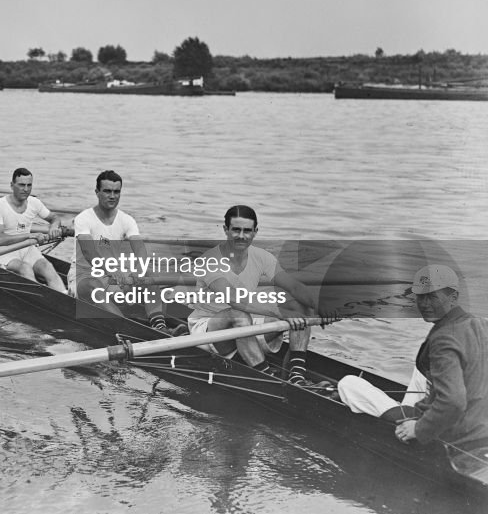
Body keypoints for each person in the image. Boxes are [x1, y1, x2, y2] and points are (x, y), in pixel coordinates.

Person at [337, 265, 488, 459]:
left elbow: (454, 402)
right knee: (421, 368)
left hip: (447, 433)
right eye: (420, 296)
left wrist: (419, 428)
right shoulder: (480, 324)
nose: (424, 304)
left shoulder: (444, 339)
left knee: (348, 384)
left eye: (432, 297)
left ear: (453, 297)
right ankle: (404, 408)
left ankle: (406, 418)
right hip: (478, 428)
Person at [186, 205, 323, 385]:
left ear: (255, 232)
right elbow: (234, 300)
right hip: (207, 330)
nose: (241, 236)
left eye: (247, 231)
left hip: (244, 324)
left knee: (298, 307)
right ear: (225, 230)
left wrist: (319, 306)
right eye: (236, 230)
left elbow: (294, 287)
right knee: (239, 315)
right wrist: (279, 313)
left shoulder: (262, 257)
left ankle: (296, 376)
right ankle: (267, 378)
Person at [70, 170, 169, 332]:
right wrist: (111, 270)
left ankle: (160, 328)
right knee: (95, 285)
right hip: (83, 278)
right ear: (97, 192)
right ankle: (128, 330)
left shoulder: (127, 220)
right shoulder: (84, 219)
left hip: (112, 279)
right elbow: (89, 254)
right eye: (107, 191)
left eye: (116, 192)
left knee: (149, 275)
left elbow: (140, 251)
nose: (112, 196)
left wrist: (138, 271)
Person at [0, 168, 65, 292]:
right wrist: (28, 236)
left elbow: (54, 218)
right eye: (21, 185)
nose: (26, 189)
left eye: (29, 185)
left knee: (48, 267)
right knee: (25, 268)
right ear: (12, 185)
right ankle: (42, 298)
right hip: (3, 251)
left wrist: (54, 227)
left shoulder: (34, 203)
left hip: (26, 248)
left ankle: (66, 298)